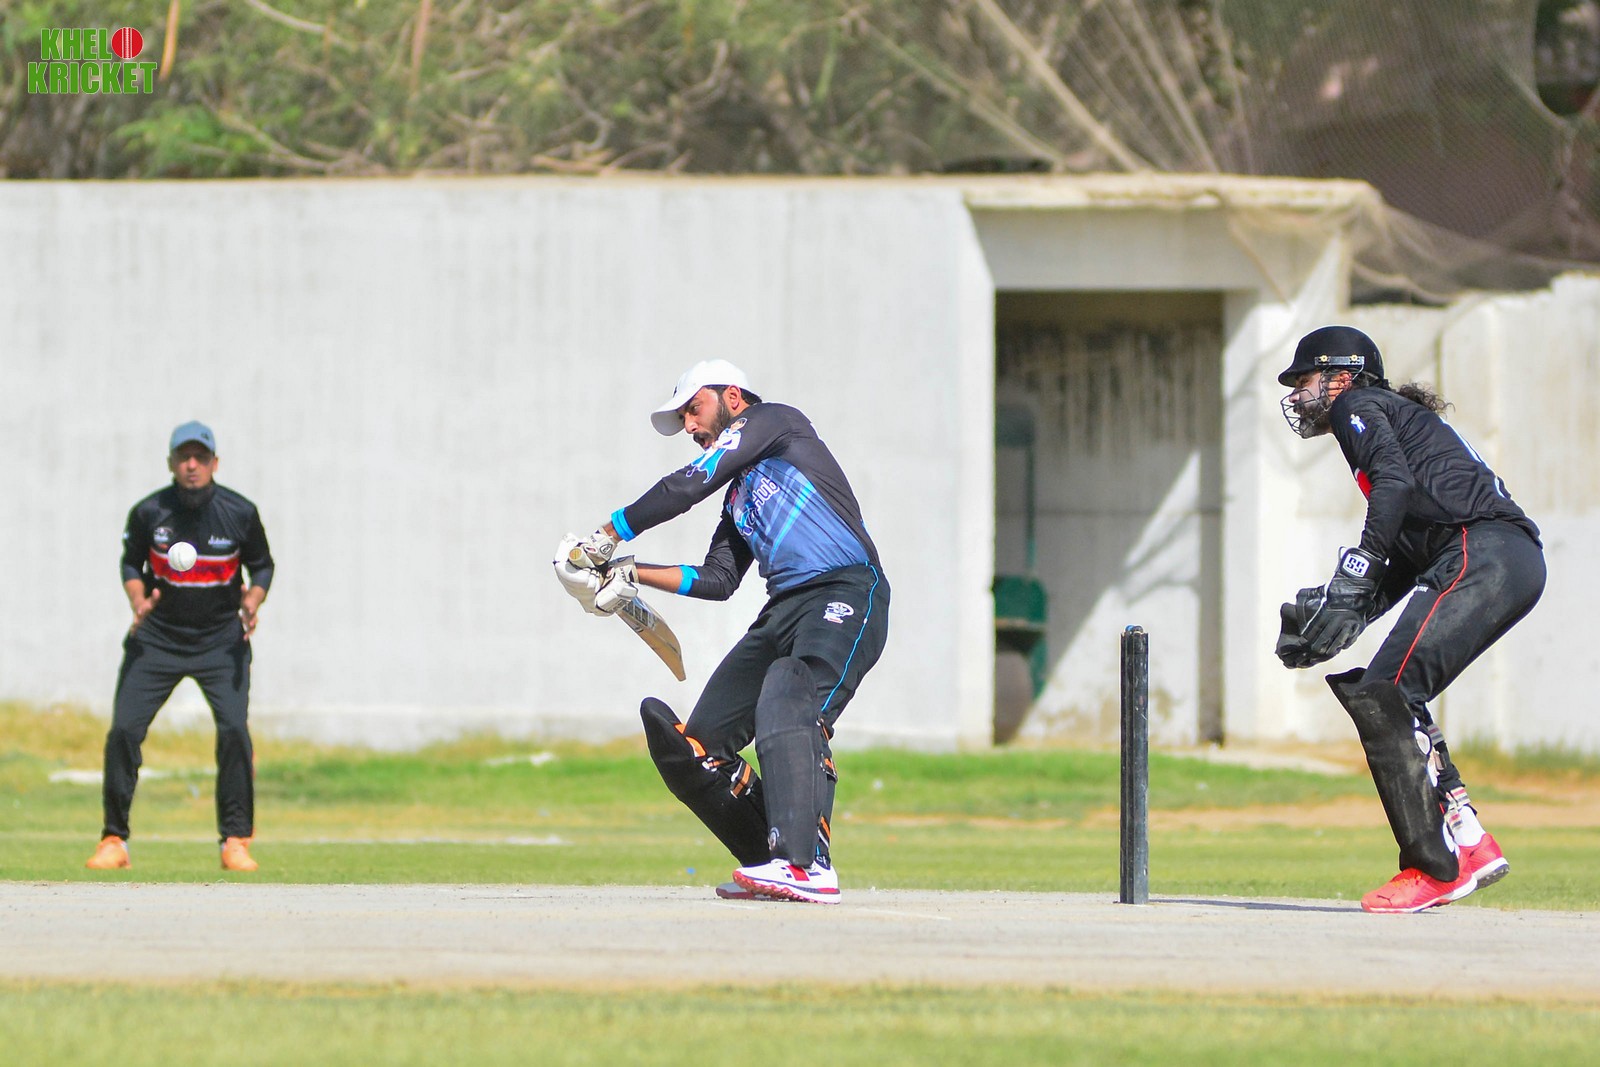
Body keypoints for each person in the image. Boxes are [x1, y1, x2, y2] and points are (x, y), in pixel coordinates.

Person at [553, 359, 889, 904]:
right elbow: (717, 579)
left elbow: (688, 485)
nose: (689, 426)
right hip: (782, 611)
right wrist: (630, 572)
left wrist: (606, 535)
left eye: (694, 409)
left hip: (846, 591)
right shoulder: (739, 498)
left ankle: (807, 865)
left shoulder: (776, 422)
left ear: (732, 397)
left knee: (792, 696)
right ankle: (770, 864)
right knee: (698, 749)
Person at [1274, 326, 1545, 913]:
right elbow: (1409, 549)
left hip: (1482, 551)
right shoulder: (1388, 415)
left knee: (1387, 693)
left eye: (1304, 379)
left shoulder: (1356, 405)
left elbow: (1392, 487)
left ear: (1341, 375)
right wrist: (1357, 607)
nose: (1296, 394)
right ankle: (1468, 839)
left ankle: (1434, 868)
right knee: (1393, 691)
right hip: (1499, 556)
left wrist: (1356, 570)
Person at [86, 421, 275, 873]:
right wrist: (137, 599)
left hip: (221, 640)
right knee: (123, 732)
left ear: (215, 463)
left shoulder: (239, 512)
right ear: (171, 463)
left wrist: (252, 600)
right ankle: (114, 839)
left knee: (234, 731)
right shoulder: (149, 512)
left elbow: (263, 565)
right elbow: (131, 563)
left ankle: (235, 840)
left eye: (200, 458)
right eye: (183, 457)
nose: (192, 465)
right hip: (158, 638)